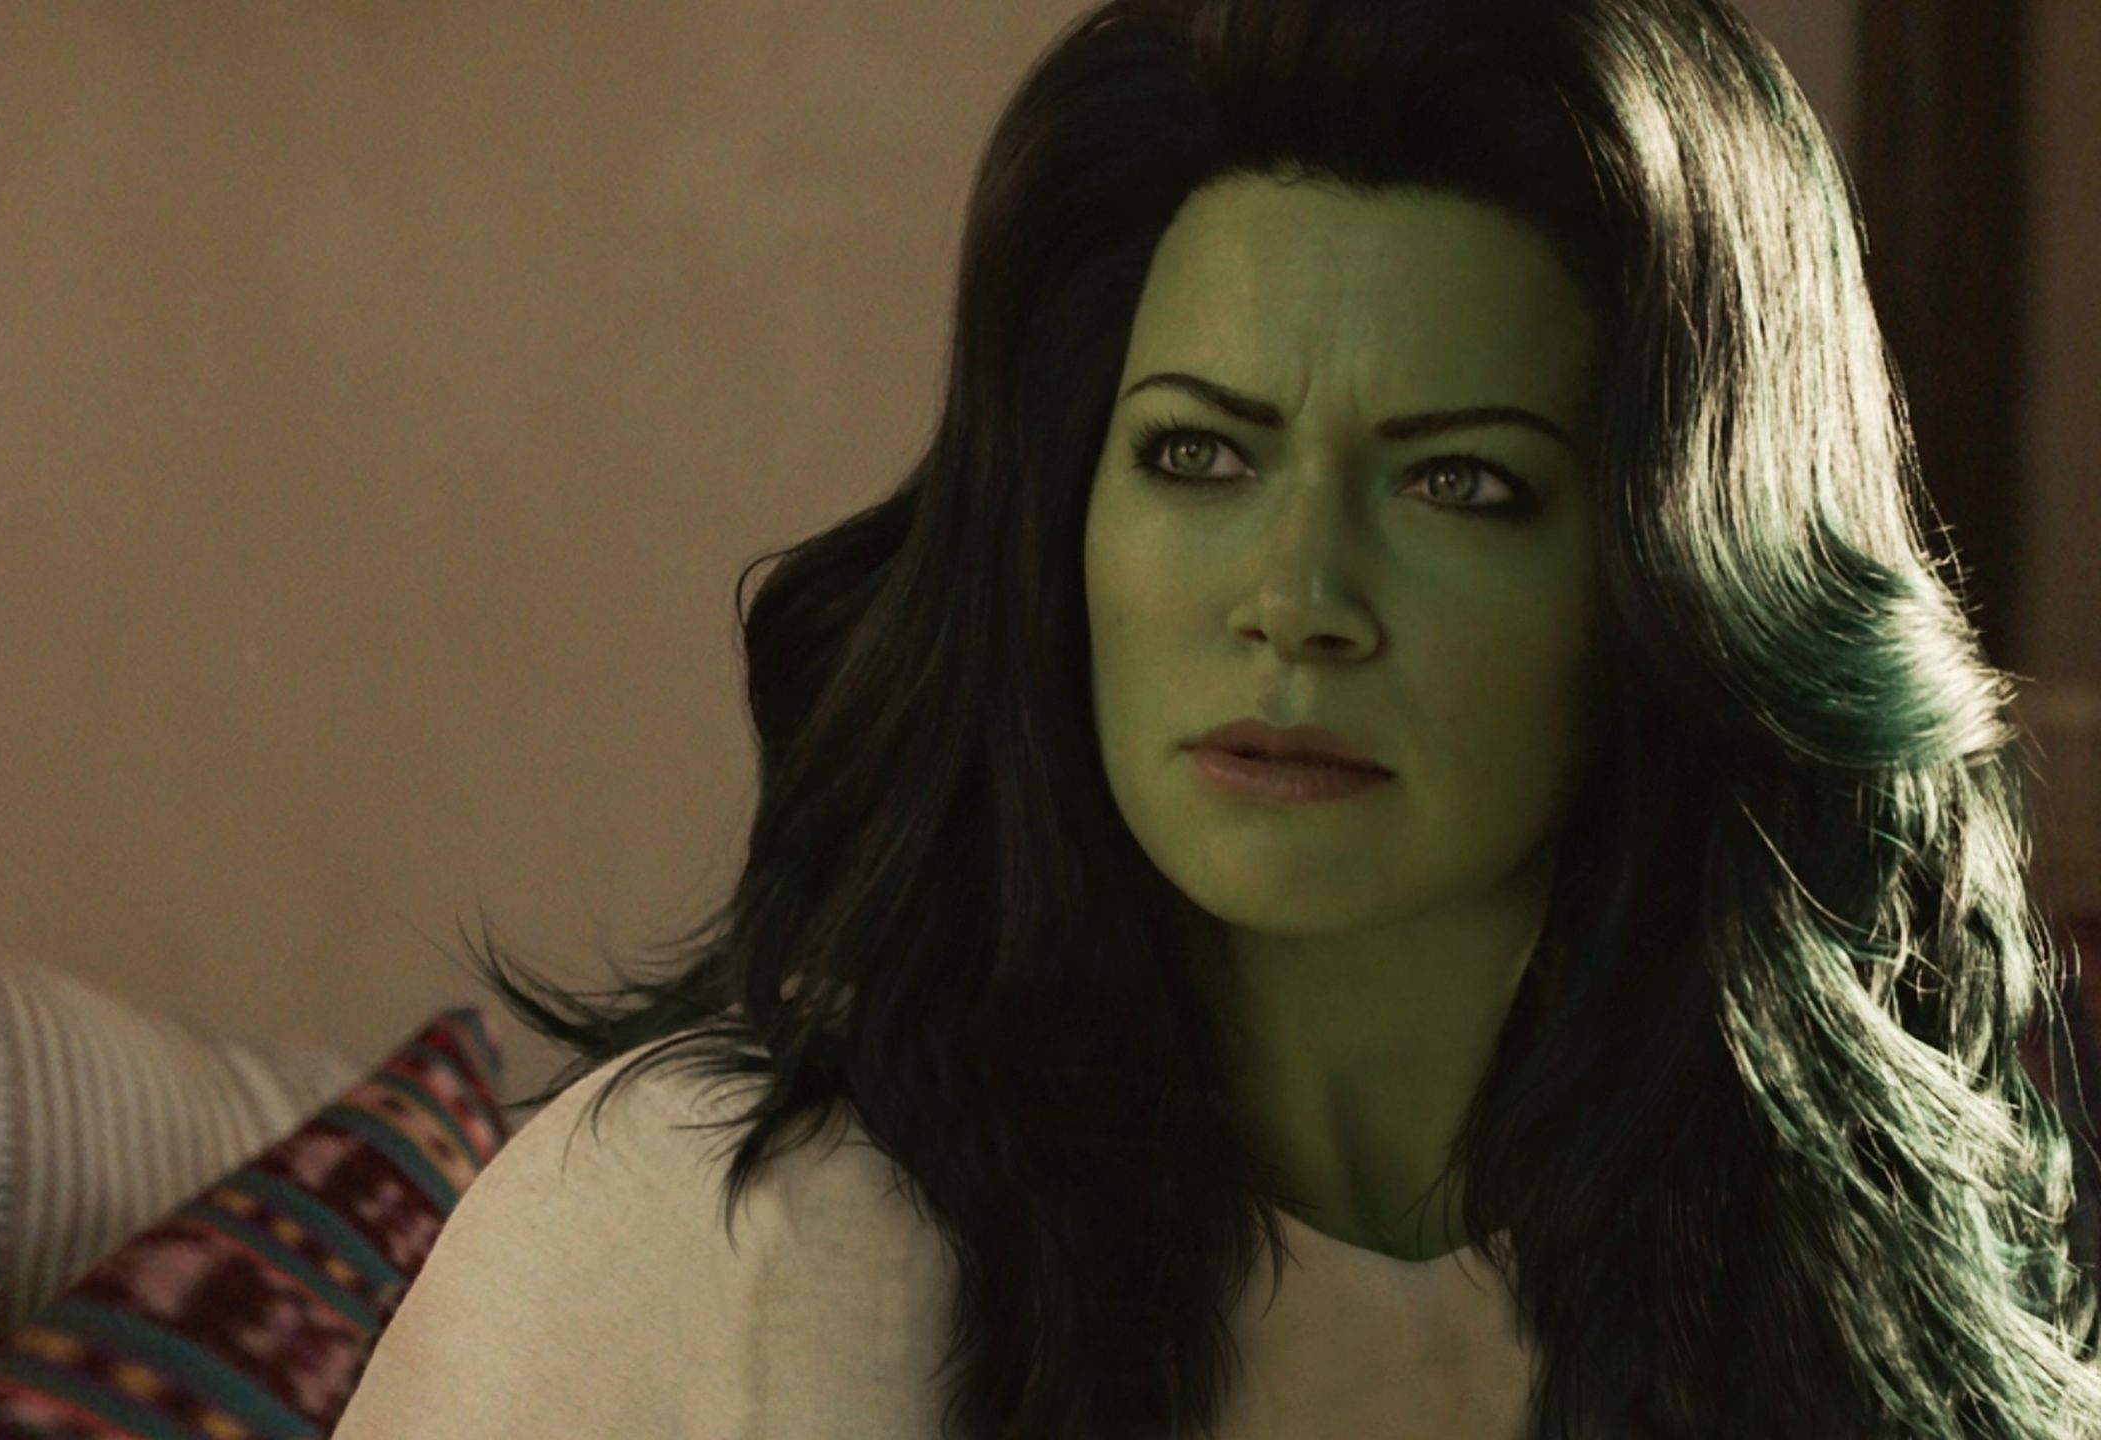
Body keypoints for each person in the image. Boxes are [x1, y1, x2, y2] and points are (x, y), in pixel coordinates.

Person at [336, 0, 2101, 1435]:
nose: (1297, 594)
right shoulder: (724, 1242)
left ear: (1675, 586)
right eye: (1197, 453)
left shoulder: (1844, 1284)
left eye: (1461, 483)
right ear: (1060, 524)